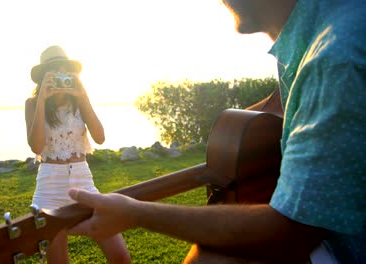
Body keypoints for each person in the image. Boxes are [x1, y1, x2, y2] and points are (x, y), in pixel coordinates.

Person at [66, 0, 366, 263]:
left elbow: (290, 232)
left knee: (215, 259)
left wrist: (135, 213)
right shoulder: (331, 27)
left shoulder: (333, 56)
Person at [25, 45, 131, 264]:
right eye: (54, 74)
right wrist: (43, 99)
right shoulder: (33, 104)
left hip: (84, 182)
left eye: (65, 72)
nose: (61, 79)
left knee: (120, 257)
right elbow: (36, 147)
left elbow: (100, 137)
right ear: (43, 78)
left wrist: (82, 96)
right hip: (49, 189)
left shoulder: (78, 100)